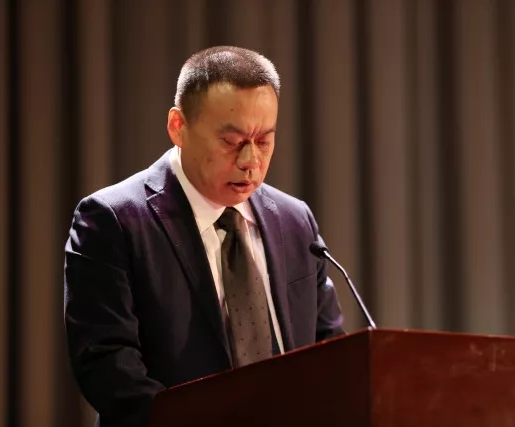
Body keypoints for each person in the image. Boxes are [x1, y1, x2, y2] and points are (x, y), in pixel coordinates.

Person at [63, 46, 345, 427]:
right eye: (232, 142)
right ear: (178, 127)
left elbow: (332, 353)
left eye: (264, 141)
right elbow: (109, 367)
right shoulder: (113, 220)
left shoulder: (295, 221)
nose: (251, 161)